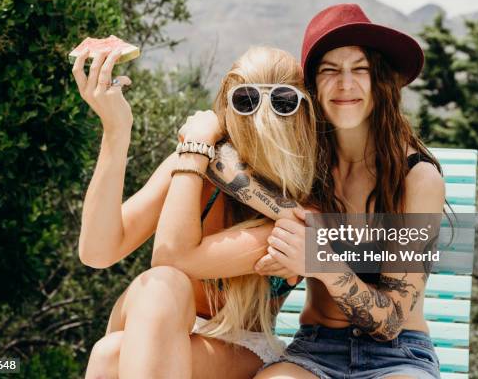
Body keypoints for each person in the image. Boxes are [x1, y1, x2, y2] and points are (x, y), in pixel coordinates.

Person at [207, 4, 445, 378]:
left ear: (379, 81)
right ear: (312, 88)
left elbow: (391, 320)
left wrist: (319, 257)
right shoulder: (304, 163)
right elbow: (223, 158)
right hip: (315, 349)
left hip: (399, 356)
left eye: (359, 70)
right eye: (329, 71)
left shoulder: (417, 177)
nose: (345, 84)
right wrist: (292, 216)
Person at [72, 45, 317, 378]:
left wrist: (193, 149)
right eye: (245, 100)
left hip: (241, 344)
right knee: (161, 286)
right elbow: (97, 251)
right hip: (160, 316)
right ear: (225, 108)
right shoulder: (196, 165)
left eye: (283, 102)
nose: (263, 117)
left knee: (109, 355)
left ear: (305, 112)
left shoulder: (304, 202)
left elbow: (171, 256)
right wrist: (116, 131)